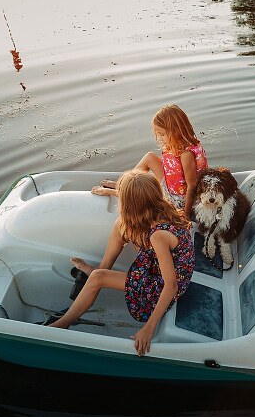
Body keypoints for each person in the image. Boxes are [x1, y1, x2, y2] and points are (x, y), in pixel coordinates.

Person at [49, 170, 195, 356]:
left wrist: (149, 328)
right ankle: (101, 270)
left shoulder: (159, 235)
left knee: (98, 277)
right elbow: (140, 197)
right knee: (122, 226)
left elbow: (171, 285)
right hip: (159, 266)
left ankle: (62, 324)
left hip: (163, 286)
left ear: (130, 204)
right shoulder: (162, 208)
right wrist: (111, 191)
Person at [93, 104, 208, 213]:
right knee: (150, 157)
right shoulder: (185, 143)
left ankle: (121, 191)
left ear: (176, 130)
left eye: (162, 134)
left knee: (147, 186)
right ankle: (124, 183)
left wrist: (186, 214)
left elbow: (192, 185)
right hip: (174, 188)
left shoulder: (186, 154)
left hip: (178, 200)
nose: (160, 138)